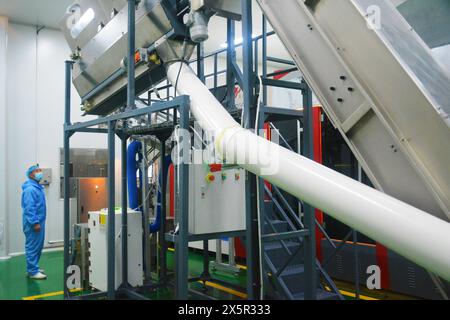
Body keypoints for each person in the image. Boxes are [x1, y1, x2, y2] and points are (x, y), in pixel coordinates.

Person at [21, 164, 47, 280]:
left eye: (40, 170)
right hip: (33, 224)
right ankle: (32, 271)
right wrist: (35, 222)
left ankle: (33, 267)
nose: (39, 172)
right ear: (31, 174)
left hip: (39, 222)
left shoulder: (37, 187)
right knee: (32, 246)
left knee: (38, 246)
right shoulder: (30, 189)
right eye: (37, 171)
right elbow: (29, 208)